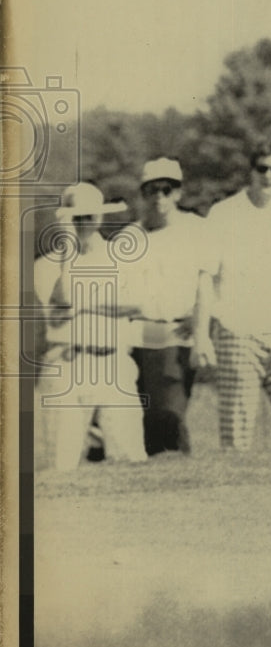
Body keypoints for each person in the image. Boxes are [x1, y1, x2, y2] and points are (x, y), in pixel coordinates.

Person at [193, 132, 271, 451]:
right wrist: (201, 336)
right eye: (262, 169)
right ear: (251, 170)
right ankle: (236, 499)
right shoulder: (223, 213)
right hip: (237, 333)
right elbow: (205, 278)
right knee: (237, 432)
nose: (269, 177)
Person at [33, 183, 147, 471]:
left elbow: (137, 304)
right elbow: (65, 301)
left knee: (129, 460)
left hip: (114, 361)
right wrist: (68, 250)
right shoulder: (46, 265)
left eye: (89, 216)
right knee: (61, 463)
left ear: (100, 217)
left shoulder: (122, 258)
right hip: (67, 361)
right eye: (77, 217)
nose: (84, 223)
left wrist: (86, 306)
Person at [120, 157, 212, 456]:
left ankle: (177, 470)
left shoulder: (197, 229)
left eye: (167, 189)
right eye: (152, 190)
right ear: (143, 193)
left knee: (170, 413)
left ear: (179, 193)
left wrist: (201, 329)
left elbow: (209, 283)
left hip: (177, 333)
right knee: (144, 419)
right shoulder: (130, 237)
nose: (160, 197)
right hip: (135, 336)